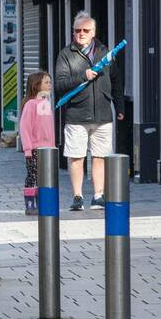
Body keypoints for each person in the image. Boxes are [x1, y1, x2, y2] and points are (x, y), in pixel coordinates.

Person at [54, 11, 124, 211]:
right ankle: (77, 196)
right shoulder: (66, 54)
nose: (81, 34)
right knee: (76, 156)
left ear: (93, 32)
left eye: (85, 30)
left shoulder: (105, 52)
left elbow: (116, 81)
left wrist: (119, 106)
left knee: (100, 156)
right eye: (77, 30)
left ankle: (98, 195)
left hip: (102, 114)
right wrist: (82, 76)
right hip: (76, 114)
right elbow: (60, 84)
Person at [18, 71, 57, 216]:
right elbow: (25, 128)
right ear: (36, 85)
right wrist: (28, 149)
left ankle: (43, 202)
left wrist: (52, 146)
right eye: (47, 82)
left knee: (45, 177)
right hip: (34, 149)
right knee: (32, 176)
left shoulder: (45, 103)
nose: (50, 85)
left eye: (50, 82)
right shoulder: (30, 104)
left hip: (47, 149)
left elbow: (49, 128)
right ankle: (30, 204)